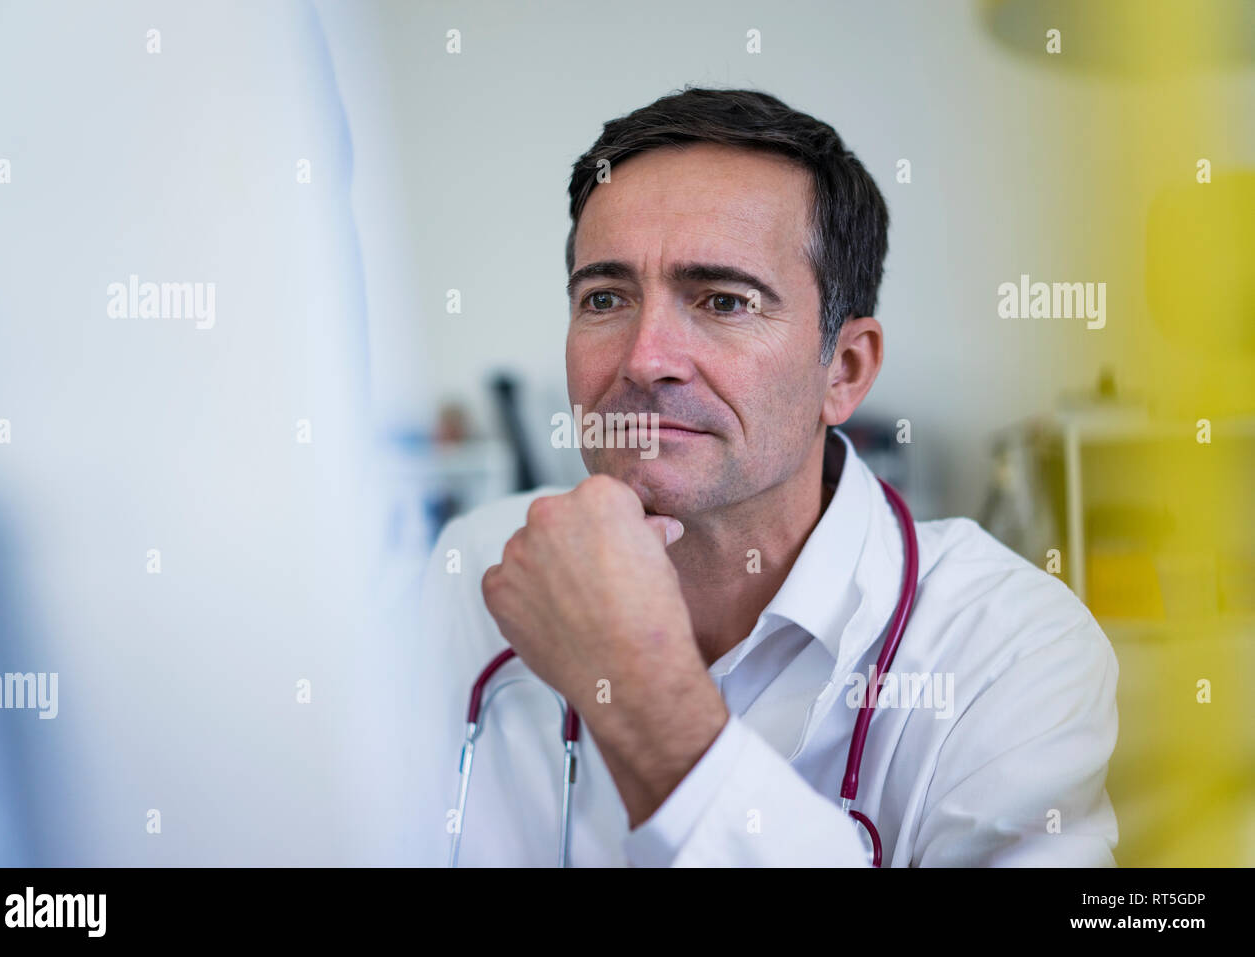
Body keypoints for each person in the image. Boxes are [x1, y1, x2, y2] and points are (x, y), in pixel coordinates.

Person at [416, 87, 1118, 867]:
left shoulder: (1008, 649)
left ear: (844, 372)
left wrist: (649, 702)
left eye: (722, 300)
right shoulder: (471, 567)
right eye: (606, 297)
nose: (646, 358)